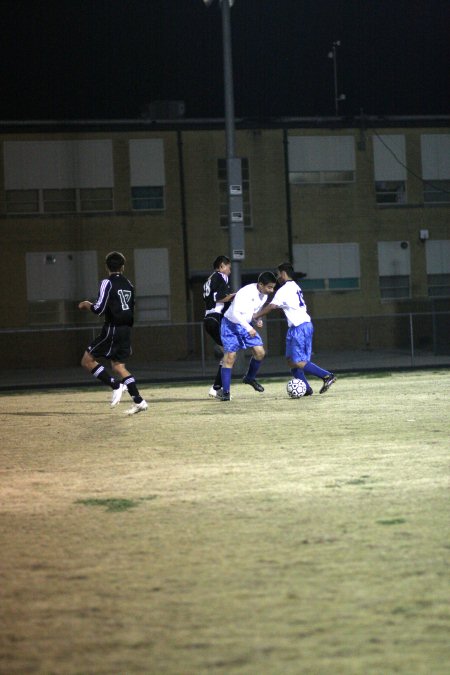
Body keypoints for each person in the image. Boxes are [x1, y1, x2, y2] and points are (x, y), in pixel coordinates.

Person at [78, 251, 148, 415]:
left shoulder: (106, 282)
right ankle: (139, 401)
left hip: (113, 328)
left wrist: (86, 304)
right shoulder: (129, 284)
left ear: (106, 267)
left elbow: (99, 309)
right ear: (122, 267)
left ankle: (116, 386)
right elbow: (132, 307)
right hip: (126, 329)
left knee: (87, 361)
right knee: (119, 366)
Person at [253, 261, 336, 395]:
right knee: (291, 360)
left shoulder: (285, 289)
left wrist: (256, 315)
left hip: (300, 327)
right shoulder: (295, 287)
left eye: (278, 274)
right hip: (298, 327)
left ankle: (327, 376)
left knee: (297, 361)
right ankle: (306, 389)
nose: (277, 277)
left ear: (283, 273)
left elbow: (272, 306)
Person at [218, 271, 277, 401]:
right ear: (260, 284)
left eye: (273, 287)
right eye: (269, 287)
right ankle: (225, 392)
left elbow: (253, 311)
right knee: (230, 357)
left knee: (260, 352)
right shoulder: (245, 292)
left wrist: (257, 320)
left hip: (246, 325)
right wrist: (249, 327)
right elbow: (235, 313)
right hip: (230, 325)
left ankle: (249, 378)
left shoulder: (264, 296)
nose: (271, 290)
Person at [202, 255, 235, 398]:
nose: (230, 270)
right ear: (222, 266)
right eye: (228, 267)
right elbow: (219, 297)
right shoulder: (221, 277)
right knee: (230, 353)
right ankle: (216, 388)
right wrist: (235, 295)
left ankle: (216, 387)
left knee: (227, 353)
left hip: (209, 319)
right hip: (215, 318)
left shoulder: (210, 279)